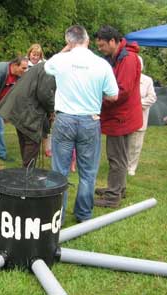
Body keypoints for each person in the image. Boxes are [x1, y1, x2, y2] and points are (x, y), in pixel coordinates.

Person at [44, 25, 118, 223]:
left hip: (65, 119)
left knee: (59, 170)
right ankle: (84, 214)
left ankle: (56, 216)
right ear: (88, 40)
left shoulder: (60, 60)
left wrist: (65, 50)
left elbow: (46, 67)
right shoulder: (101, 64)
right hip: (90, 120)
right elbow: (113, 95)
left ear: (69, 41)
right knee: (88, 171)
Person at [93, 25, 142, 208]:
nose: (100, 49)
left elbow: (121, 91)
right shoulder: (117, 57)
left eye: (102, 45)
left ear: (113, 41)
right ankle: (118, 189)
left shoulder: (128, 59)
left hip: (122, 117)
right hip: (121, 115)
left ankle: (112, 197)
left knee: (116, 157)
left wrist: (98, 101)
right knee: (120, 156)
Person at [0, 62, 55, 167]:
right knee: (32, 139)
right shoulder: (49, 70)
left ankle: (25, 171)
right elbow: (44, 94)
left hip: (19, 106)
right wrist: (51, 110)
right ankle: (27, 173)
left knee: (25, 138)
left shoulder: (43, 66)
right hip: (25, 108)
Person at [127, 56, 157, 176]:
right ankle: (121, 164)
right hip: (124, 117)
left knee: (135, 144)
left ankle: (131, 167)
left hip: (139, 116)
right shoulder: (124, 78)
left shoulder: (147, 80)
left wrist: (137, 103)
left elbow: (152, 98)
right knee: (122, 143)